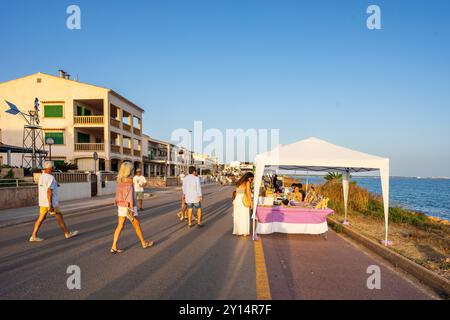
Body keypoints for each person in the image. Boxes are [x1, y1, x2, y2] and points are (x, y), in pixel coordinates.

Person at [29, 161, 78, 242]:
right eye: (53, 167)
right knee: (60, 218)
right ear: (50, 168)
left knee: (41, 218)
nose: (54, 169)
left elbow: (46, 186)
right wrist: (50, 204)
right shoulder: (50, 177)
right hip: (51, 203)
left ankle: (33, 236)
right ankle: (67, 233)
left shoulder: (42, 176)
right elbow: (49, 191)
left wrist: (56, 184)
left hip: (42, 202)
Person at [111, 162, 153, 254]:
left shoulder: (120, 180)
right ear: (128, 170)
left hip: (121, 206)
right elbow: (129, 196)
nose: (133, 171)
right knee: (137, 225)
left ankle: (113, 246)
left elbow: (118, 194)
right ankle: (144, 243)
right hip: (128, 207)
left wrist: (117, 202)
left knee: (120, 226)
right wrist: (131, 209)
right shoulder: (129, 180)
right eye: (131, 169)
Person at [233, 172, 254, 237]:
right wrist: (251, 203)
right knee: (244, 215)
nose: (252, 180)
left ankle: (237, 231)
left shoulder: (240, 182)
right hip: (243, 199)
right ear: (249, 177)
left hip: (237, 199)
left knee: (238, 215)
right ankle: (244, 231)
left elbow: (236, 192)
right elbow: (248, 193)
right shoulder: (247, 182)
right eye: (252, 178)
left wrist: (234, 201)